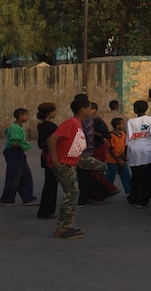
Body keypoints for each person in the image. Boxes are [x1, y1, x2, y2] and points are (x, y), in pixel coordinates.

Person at [47, 98, 107, 239]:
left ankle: (66, 225)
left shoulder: (78, 123)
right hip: (64, 163)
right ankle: (63, 228)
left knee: (102, 166)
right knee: (72, 193)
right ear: (82, 109)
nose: (91, 111)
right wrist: (55, 159)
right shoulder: (71, 122)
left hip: (75, 158)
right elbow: (51, 139)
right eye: (89, 108)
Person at [0, 107, 39, 207]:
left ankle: (28, 198)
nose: (27, 117)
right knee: (14, 177)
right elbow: (14, 143)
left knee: (25, 176)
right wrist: (24, 145)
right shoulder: (15, 128)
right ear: (20, 116)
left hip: (19, 153)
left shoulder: (18, 127)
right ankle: (6, 199)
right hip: (14, 153)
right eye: (26, 115)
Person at [126, 99, 151, 208]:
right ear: (146, 109)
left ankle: (133, 198)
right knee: (146, 178)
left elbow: (128, 139)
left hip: (134, 152)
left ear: (135, 109)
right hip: (147, 152)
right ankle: (142, 201)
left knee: (135, 177)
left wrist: (124, 154)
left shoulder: (130, 122)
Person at [35, 102, 60, 219]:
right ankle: (46, 211)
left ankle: (47, 210)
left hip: (46, 156)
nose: (55, 113)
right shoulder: (50, 126)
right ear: (50, 113)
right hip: (51, 156)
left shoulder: (41, 125)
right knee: (51, 185)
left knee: (50, 184)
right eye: (54, 111)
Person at [105, 117, 132, 194]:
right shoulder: (111, 136)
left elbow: (125, 145)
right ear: (117, 126)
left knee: (126, 175)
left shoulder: (123, 134)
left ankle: (129, 190)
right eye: (122, 124)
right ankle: (107, 191)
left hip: (121, 158)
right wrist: (118, 159)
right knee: (110, 176)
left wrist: (124, 155)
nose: (124, 125)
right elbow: (111, 149)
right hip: (112, 160)